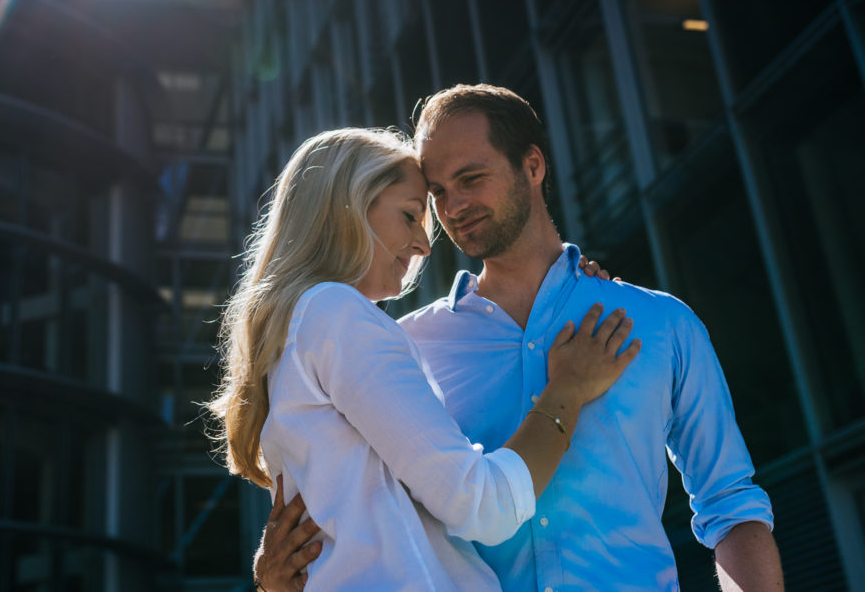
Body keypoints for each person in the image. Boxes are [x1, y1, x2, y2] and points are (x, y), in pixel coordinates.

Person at [255, 85, 783, 592]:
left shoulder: (659, 323)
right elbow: (358, 510)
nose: (453, 206)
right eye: (436, 192)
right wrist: (277, 578)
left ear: (532, 165)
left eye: (472, 177)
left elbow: (730, 506)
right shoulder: (403, 344)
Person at [208, 127, 641, 590]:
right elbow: (481, 507)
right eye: (410, 216)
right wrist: (566, 392)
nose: (423, 245)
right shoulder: (336, 314)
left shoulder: (301, 327)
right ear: (350, 204)